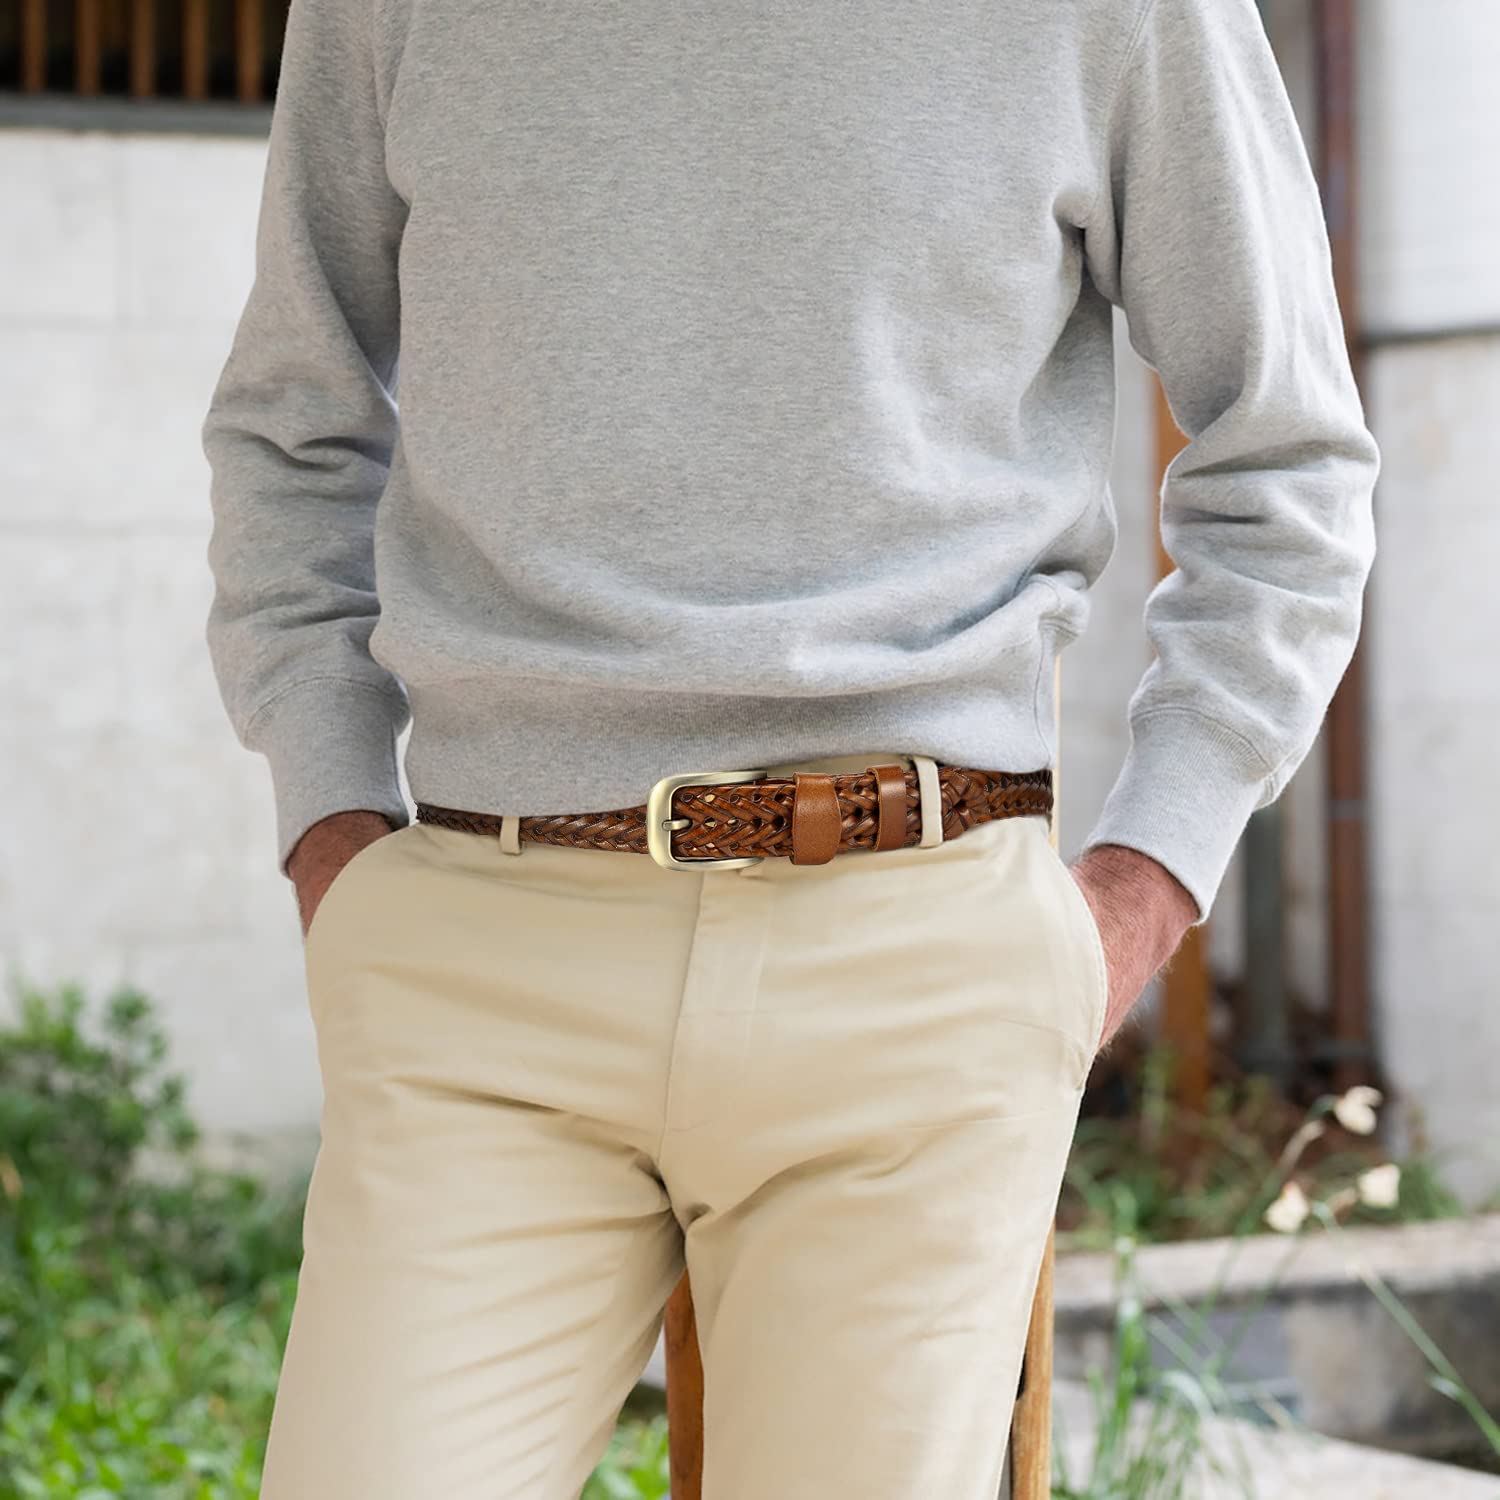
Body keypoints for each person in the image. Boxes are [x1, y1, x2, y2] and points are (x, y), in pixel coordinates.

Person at [199, 0, 1379, 1494]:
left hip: (916, 969)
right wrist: (333, 827)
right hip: (481, 971)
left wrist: (1140, 891)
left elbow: (1288, 462)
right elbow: (291, 429)